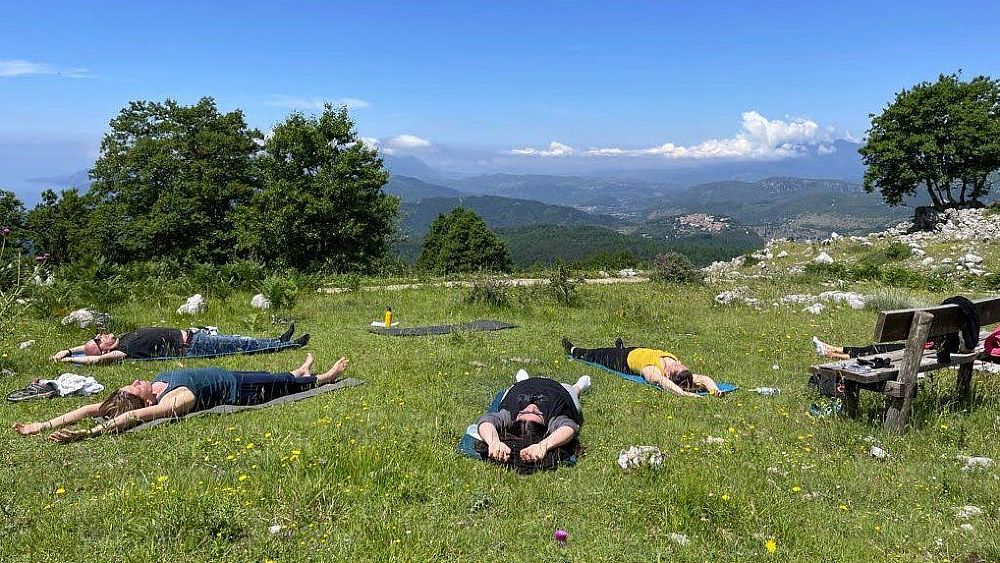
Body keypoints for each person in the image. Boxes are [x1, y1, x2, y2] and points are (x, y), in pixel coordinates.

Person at [13, 353, 349, 443]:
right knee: (280, 386)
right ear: (144, 403)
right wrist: (89, 434)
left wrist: (43, 423)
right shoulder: (175, 401)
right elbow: (128, 418)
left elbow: (89, 407)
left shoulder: (155, 388)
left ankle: (300, 370)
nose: (136, 380)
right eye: (135, 388)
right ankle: (322, 378)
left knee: (279, 377)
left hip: (230, 373)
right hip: (239, 390)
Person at [475, 372, 590, 473]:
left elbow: (486, 421)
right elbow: (569, 427)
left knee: (512, 390)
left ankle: (523, 380)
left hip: (523, 386)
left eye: (524, 412)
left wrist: (493, 442)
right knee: (573, 391)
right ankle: (579, 386)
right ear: (545, 423)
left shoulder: (509, 415)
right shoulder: (553, 418)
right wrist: (543, 446)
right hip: (558, 388)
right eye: (536, 413)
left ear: (517, 418)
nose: (531, 407)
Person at [49, 323, 309, 365]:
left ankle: (278, 340)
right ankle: (287, 346)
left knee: (239, 340)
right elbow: (95, 358)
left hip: (195, 335)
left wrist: (69, 349)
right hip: (193, 347)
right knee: (238, 346)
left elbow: (89, 350)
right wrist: (72, 359)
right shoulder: (121, 352)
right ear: (104, 348)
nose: (102, 335)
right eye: (98, 339)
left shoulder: (123, 338)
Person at [562, 337, 722, 398]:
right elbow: (705, 379)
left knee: (595, 354)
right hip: (639, 349)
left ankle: (574, 350)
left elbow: (660, 381)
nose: (678, 364)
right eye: (681, 365)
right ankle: (621, 346)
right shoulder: (682, 372)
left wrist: (683, 394)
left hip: (622, 360)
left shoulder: (652, 371)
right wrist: (716, 391)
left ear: (669, 375)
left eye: (676, 368)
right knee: (624, 348)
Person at [810, 336, 907, 361]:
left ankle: (829, 353)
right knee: (872, 349)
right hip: (915, 350)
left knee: (872, 353)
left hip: (912, 351)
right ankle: (831, 349)